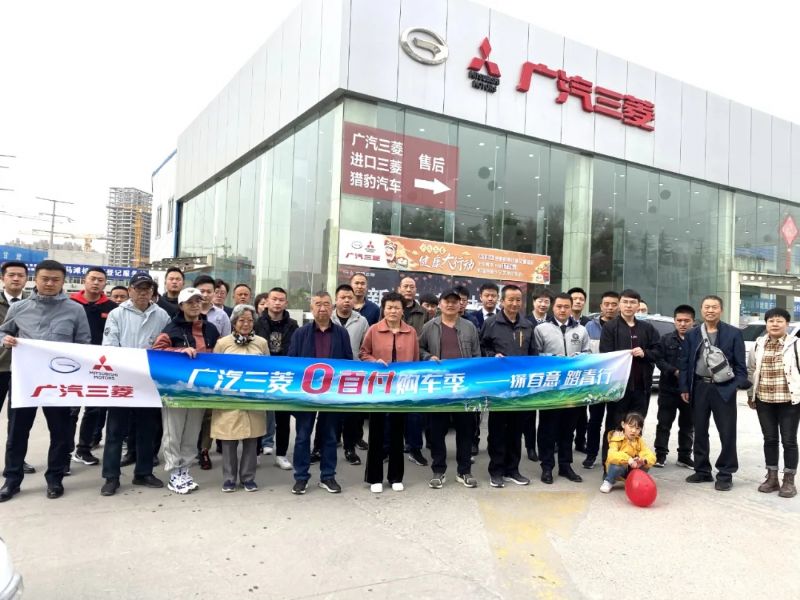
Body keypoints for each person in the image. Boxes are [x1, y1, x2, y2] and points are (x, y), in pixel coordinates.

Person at [0, 260, 91, 502]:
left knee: (60, 434)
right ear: (36, 279)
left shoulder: (75, 310)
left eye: (55, 279)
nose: (50, 283)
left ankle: (55, 479)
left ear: (63, 281)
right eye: (45, 279)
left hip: (59, 384)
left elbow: (84, 344)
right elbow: (3, 331)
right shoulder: (19, 308)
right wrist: (5, 340)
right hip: (25, 382)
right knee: (17, 433)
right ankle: (12, 480)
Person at [99, 272, 170, 496]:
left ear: (153, 292)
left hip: (148, 382)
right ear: (130, 290)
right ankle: (111, 477)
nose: (143, 293)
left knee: (147, 430)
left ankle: (143, 472)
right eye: (139, 288)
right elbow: (110, 346)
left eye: (147, 289)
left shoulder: (162, 315)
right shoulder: (117, 314)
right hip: (122, 380)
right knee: (115, 431)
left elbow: (166, 346)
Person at [153, 287, 220, 494]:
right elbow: (156, 352)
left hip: (200, 390)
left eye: (198, 301)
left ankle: (185, 470)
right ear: (181, 306)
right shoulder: (171, 329)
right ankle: (174, 472)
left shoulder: (211, 329)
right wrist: (180, 351)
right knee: (173, 432)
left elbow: (219, 355)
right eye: (190, 302)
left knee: (192, 432)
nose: (195, 305)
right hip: (175, 390)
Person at [679, 295, 749, 491]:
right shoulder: (692, 334)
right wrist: (684, 387)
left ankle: (725, 474)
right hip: (699, 387)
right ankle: (702, 470)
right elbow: (685, 363)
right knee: (700, 430)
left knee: (727, 432)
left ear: (721, 310)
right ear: (701, 310)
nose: (710, 310)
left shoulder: (733, 333)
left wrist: (734, 386)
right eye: (707, 307)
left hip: (724, 388)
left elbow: (741, 367)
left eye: (714, 307)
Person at [287, 291, 352, 495]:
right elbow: (292, 363)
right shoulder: (300, 333)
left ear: (332, 307)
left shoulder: (341, 333)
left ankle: (328, 476)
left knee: (330, 436)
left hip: (332, 393)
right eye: (317, 304)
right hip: (306, 394)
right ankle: (301, 477)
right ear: (311, 308)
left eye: (326, 304)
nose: (322, 308)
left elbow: (348, 362)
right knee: (302, 436)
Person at [418, 289, 480, 489]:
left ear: (461, 304)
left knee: (466, 431)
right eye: (447, 301)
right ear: (440, 304)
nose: (451, 304)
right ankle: (439, 471)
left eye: (455, 301)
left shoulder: (469, 327)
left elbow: (477, 355)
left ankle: (464, 471)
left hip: (464, 387)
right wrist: (428, 357)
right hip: (439, 388)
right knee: (436, 431)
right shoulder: (429, 326)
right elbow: (419, 348)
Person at [360, 291, 419, 492]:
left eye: (397, 307)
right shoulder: (374, 330)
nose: (393, 311)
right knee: (376, 432)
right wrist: (374, 361)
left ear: (403, 310)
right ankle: (374, 477)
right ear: (383, 309)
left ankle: (395, 477)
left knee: (397, 432)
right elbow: (363, 353)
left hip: (401, 389)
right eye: (389, 307)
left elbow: (416, 360)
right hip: (378, 388)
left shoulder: (411, 332)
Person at [480, 284, 535, 488]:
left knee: (516, 430)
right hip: (499, 386)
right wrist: (492, 355)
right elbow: (482, 347)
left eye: (518, 300)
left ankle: (513, 469)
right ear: (502, 301)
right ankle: (496, 471)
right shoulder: (491, 323)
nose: (514, 303)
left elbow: (533, 354)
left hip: (520, 387)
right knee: (497, 430)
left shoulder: (527, 325)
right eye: (510, 299)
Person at [533, 292, 589, 484]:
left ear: (571, 308)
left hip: (572, 388)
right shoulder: (541, 329)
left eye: (566, 306)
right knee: (547, 429)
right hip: (550, 388)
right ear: (553, 307)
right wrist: (552, 359)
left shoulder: (581, 330)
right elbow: (535, 355)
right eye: (559, 306)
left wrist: (580, 357)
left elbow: (588, 353)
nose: (563, 310)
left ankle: (565, 466)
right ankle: (547, 466)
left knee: (568, 429)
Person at [599, 289, 659, 468]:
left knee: (636, 427)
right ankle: (610, 466)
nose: (628, 305)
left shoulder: (647, 328)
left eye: (632, 302)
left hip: (641, 387)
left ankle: (633, 466)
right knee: (614, 427)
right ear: (620, 304)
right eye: (625, 302)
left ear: (638, 305)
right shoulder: (610, 327)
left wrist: (645, 353)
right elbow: (605, 355)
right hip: (619, 389)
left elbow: (658, 351)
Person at [211, 304, 268, 493]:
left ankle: (248, 478)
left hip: (253, 399)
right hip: (229, 400)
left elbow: (269, 370)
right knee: (228, 441)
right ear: (234, 322)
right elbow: (215, 370)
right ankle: (229, 479)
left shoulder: (261, 343)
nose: (246, 324)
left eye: (250, 320)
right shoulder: (223, 343)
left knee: (252, 441)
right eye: (242, 320)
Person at [68, 267, 119, 467]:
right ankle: (64, 453)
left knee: (94, 410)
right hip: (73, 364)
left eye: (100, 280)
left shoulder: (112, 308)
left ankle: (84, 449)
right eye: (92, 279)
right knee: (70, 410)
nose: (96, 283)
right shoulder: (70, 303)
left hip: (100, 366)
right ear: (85, 280)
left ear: (105, 283)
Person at [746, 307, 799, 498]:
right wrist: (751, 395)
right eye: (771, 321)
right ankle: (772, 478)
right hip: (764, 401)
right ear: (766, 323)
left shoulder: (796, 344)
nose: (775, 324)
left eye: (779, 321)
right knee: (769, 439)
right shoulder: (758, 344)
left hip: (789, 401)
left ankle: (789, 481)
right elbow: (752, 370)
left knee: (789, 441)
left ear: (787, 324)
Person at [254, 287, 298, 469]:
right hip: (262, 374)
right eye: (274, 299)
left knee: (283, 417)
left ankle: (281, 454)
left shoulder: (293, 325)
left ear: (286, 303)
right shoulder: (257, 322)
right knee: (258, 415)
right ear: (267, 301)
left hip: (283, 374)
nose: (277, 303)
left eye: (281, 300)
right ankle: (255, 452)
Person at [0, 261, 35, 476]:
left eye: (20, 275)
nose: (16, 279)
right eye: (11, 274)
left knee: (18, 421)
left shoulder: (32, 304)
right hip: (1, 367)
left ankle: (16, 461)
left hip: (24, 371)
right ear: (2, 277)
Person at [192, 274, 231, 471]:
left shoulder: (221, 316)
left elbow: (227, 342)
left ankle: (204, 450)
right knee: (191, 412)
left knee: (208, 414)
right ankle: (189, 448)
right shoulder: (188, 311)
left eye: (209, 291)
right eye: (202, 291)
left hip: (213, 369)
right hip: (190, 369)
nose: (206, 295)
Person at [330, 284, 369, 466]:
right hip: (330, 376)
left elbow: (365, 348)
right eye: (342, 297)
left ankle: (350, 449)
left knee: (351, 416)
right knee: (328, 414)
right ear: (336, 299)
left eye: (349, 298)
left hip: (354, 375)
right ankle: (321, 447)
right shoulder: (328, 317)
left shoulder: (362, 321)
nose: (346, 301)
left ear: (354, 300)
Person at [653, 305, 696, 469]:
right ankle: (660, 455)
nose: (683, 324)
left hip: (690, 390)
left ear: (693, 322)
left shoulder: (698, 340)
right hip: (668, 389)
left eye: (686, 321)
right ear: (674, 321)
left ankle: (684, 456)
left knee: (688, 425)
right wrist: (674, 371)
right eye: (679, 320)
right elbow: (659, 360)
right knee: (664, 424)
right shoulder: (666, 339)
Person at [583, 290, 620, 469]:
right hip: (596, 382)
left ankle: (610, 456)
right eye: (607, 304)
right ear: (601, 306)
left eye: (614, 304)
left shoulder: (624, 326)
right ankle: (591, 455)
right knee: (594, 420)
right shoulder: (589, 327)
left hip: (616, 382)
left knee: (613, 422)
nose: (610, 308)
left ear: (619, 306)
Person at [466, 282, 500, 456]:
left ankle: (494, 443)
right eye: (487, 295)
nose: (490, 298)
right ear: (480, 297)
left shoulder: (504, 317)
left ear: (498, 297)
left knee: (497, 409)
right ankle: (474, 440)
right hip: (478, 370)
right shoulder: (473, 318)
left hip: (499, 371)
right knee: (476, 408)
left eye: (493, 295)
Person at [398, 276, 429, 466]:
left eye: (412, 286)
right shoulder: (390, 308)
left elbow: (427, 340)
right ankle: (387, 449)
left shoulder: (424, 313)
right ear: (399, 288)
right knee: (390, 412)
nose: (409, 289)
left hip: (416, 367)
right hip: (393, 369)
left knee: (415, 413)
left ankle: (414, 449)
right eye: (405, 286)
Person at [599, 412, 656, 493]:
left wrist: (643, 460)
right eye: (631, 426)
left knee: (646, 464)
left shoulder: (639, 440)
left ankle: (634, 482)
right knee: (616, 465)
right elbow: (611, 455)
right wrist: (628, 459)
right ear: (623, 425)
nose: (633, 431)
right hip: (621, 468)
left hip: (633, 467)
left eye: (637, 428)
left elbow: (649, 454)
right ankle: (608, 481)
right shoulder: (617, 438)